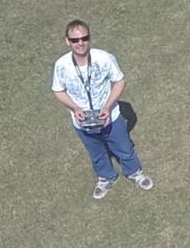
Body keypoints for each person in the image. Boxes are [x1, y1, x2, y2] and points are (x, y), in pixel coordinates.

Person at [51, 20, 152, 199]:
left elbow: (120, 81)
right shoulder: (61, 65)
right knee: (96, 153)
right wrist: (74, 108)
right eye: (75, 40)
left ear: (90, 38)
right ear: (67, 41)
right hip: (82, 121)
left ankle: (134, 173)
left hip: (111, 117)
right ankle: (105, 177)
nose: (80, 43)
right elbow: (58, 90)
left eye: (84, 38)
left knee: (124, 148)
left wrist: (107, 106)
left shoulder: (104, 58)